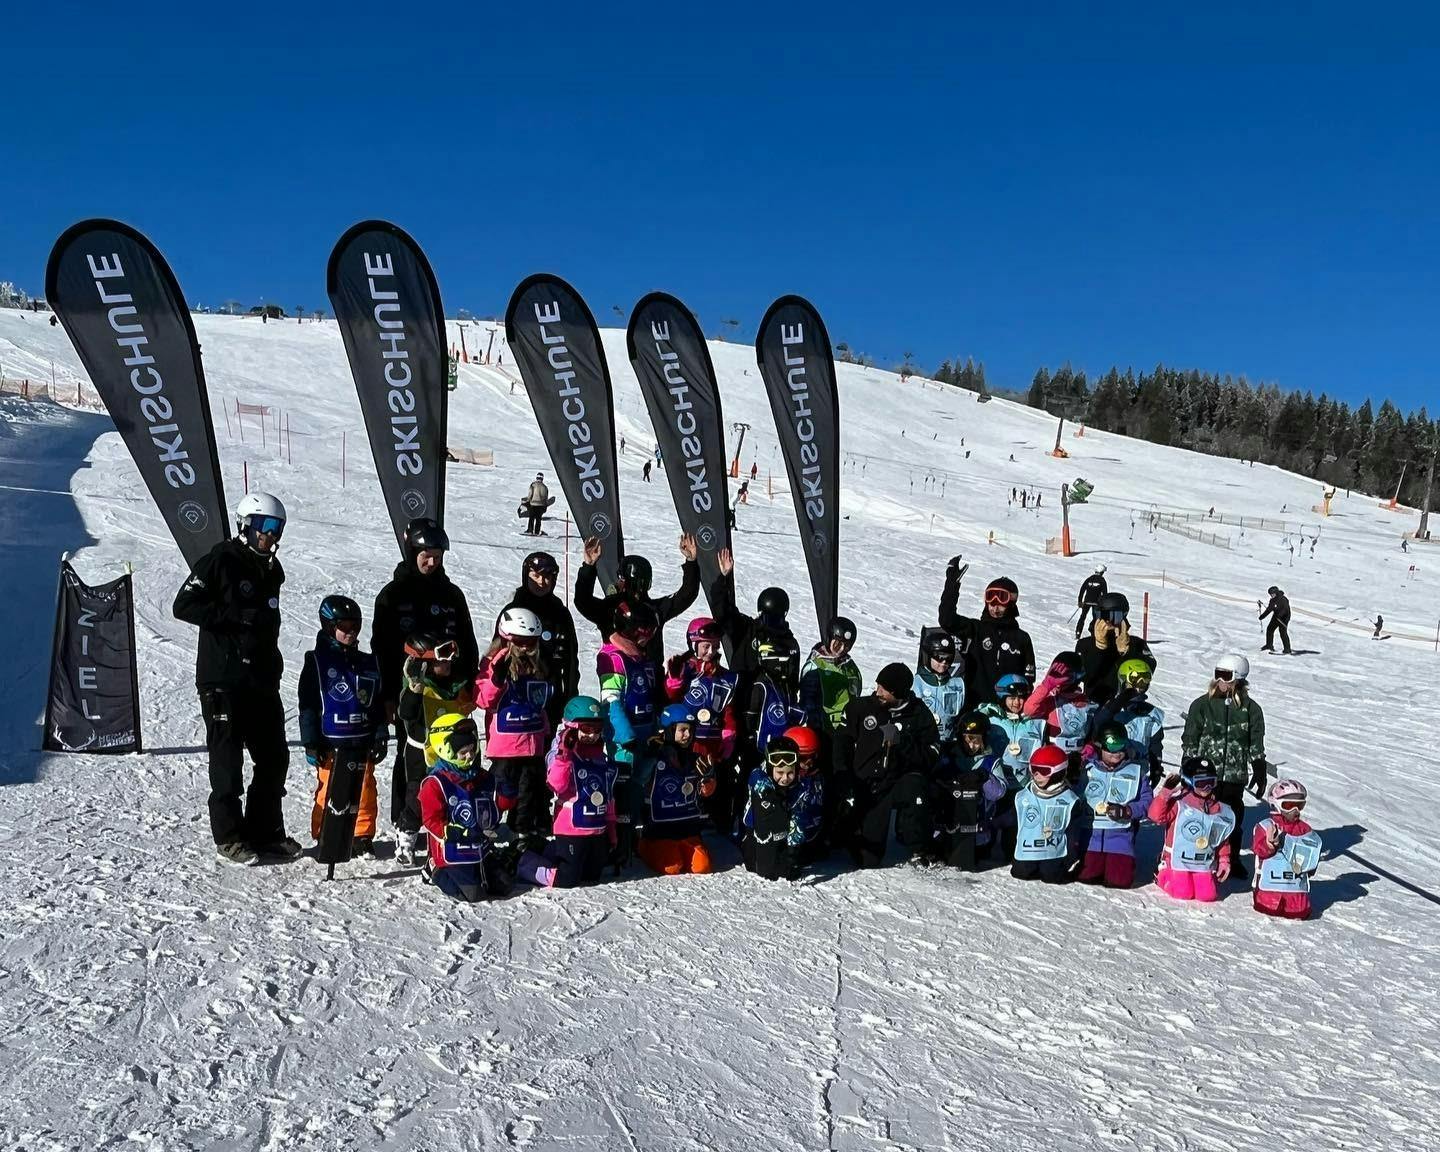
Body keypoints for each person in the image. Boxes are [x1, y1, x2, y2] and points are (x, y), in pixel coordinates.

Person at [173, 492, 296, 864]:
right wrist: (232, 616)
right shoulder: (221, 560)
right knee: (227, 762)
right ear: (247, 524)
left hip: (260, 680)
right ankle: (229, 836)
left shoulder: (271, 569)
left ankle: (266, 832)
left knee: (274, 758)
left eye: (278, 529)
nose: (272, 535)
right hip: (223, 679)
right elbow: (184, 605)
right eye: (266, 527)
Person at [373, 517, 479, 832]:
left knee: (451, 750)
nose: (431, 561)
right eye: (425, 555)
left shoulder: (452, 595)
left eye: (437, 555)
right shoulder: (393, 594)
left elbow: (468, 643)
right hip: (413, 689)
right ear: (411, 551)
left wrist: (469, 684)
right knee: (413, 752)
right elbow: (383, 649)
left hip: (450, 689)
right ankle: (406, 821)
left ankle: (446, 815)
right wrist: (389, 696)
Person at [298, 595, 386, 858]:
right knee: (329, 789)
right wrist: (311, 741)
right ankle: (325, 832)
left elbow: (377, 703)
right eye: (344, 627)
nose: (351, 632)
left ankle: (360, 835)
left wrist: (380, 734)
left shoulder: (367, 662)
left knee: (365, 789)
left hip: (362, 738)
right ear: (328, 626)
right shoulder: (317, 661)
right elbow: (308, 705)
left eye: (355, 626)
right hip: (330, 740)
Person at [840, 662, 939, 868]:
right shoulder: (861, 708)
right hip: (867, 783)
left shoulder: (919, 713)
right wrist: (843, 775)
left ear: (899, 693)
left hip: (898, 781)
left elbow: (932, 754)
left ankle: (918, 847)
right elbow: (842, 743)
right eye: (878, 686)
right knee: (868, 860)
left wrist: (904, 744)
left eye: (884, 690)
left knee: (916, 788)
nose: (878, 692)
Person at [473, 607, 554, 853]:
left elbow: (540, 701)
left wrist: (546, 731)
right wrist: (497, 680)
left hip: (532, 740)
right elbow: (482, 700)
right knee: (501, 789)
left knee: (528, 790)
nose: (527, 648)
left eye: (531, 643)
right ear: (507, 639)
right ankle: (487, 825)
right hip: (505, 745)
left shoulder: (538, 664)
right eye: (521, 643)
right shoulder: (494, 663)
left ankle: (521, 831)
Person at [516, 696, 618, 889]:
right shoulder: (561, 755)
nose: (592, 735)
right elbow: (556, 785)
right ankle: (524, 864)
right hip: (571, 828)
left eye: (596, 730)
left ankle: (548, 849)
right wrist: (564, 755)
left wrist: (611, 830)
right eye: (586, 729)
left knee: (592, 876)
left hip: (597, 828)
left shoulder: (601, 759)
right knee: (567, 879)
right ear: (572, 728)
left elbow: (608, 796)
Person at [1181, 654, 1266, 879]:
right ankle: (1195, 852)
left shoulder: (1251, 710)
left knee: (1231, 817)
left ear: (1238, 678)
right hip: (1205, 774)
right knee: (1201, 814)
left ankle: (1233, 858)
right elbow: (1191, 736)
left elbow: (1255, 740)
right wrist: (1187, 764)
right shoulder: (1202, 705)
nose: (1220, 680)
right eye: (1218, 674)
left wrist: (1258, 765)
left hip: (1234, 775)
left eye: (1226, 676)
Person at [393, 632, 475, 864]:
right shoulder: (416, 686)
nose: (447, 664)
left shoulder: (456, 684)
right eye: (441, 660)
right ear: (425, 662)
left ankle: (445, 837)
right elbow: (406, 713)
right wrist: (414, 689)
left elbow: (469, 706)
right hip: (422, 751)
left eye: (450, 659)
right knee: (418, 798)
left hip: (452, 754)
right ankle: (406, 838)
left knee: (450, 796)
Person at [419, 713, 514, 901]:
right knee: (472, 895)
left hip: (480, 846)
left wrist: (507, 795)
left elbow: (494, 812)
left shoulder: (482, 778)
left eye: (472, 749)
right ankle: (435, 870)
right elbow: (431, 820)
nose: (470, 756)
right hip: (453, 848)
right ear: (446, 751)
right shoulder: (436, 783)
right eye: (463, 752)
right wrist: (454, 832)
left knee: (505, 885)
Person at [573, 534, 699, 669]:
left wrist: (691, 562)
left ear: (625, 580)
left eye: (620, 578)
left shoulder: (652, 609)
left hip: (649, 680)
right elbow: (583, 601)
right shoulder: (613, 607)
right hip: (620, 677)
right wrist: (588, 566)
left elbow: (686, 595)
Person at [598, 600, 663, 862]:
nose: (646, 638)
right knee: (622, 791)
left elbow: (652, 697)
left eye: (649, 633)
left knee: (638, 788)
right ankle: (617, 842)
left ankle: (632, 837)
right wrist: (627, 738)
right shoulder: (613, 658)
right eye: (642, 632)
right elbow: (611, 703)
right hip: (625, 740)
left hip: (647, 732)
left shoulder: (642, 659)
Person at [666, 617, 741, 828]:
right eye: (706, 646)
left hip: (713, 742)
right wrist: (674, 680)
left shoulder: (725, 677)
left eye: (715, 646)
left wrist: (729, 735)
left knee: (714, 782)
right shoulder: (685, 670)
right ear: (693, 645)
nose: (711, 651)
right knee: (687, 779)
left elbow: (729, 711)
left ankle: (717, 818)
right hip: (688, 740)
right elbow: (671, 698)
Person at [493, 551, 578, 728]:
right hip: (515, 697)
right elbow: (496, 654)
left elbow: (570, 661)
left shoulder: (560, 613)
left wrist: (570, 698)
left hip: (550, 696)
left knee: (548, 750)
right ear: (526, 575)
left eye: (547, 577)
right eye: (536, 575)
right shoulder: (513, 610)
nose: (541, 582)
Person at [936, 557, 1035, 706]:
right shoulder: (975, 629)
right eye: (991, 603)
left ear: (1012, 604)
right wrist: (952, 583)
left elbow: (1028, 680)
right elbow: (946, 620)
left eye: (1000, 604)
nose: (995, 608)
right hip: (976, 707)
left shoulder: (1022, 638)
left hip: (1007, 712)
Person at [636, 704, 714, 875]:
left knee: (702, 866)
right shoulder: (656, 756)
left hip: (688, 828)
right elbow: (640, 779)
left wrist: (708, 781)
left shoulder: (695, 759)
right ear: (669, 730)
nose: (687, 735)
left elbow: (707, 791)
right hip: (660, 829)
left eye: (690, 730)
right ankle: (644, 845)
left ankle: (683, 846)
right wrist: (650, 757)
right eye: (682, 730)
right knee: (672, 867)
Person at [1148, 757, 1235, 903]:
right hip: (1178, 860)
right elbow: (1156, 816)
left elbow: (1222, 838)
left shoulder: (1218, 809)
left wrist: (1224, 860)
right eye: (1201, 783)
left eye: (1210, 782)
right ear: (1189, 782)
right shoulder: (1179, 804)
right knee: (1182, 892)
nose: (1206, 788)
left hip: (1203, 863)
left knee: (1208, 895)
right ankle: (1162, 875)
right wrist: (1164, 795)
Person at [979, 673, 1046, 861]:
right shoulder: (991, 719)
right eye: (1012, 698)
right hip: (995, 782)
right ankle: (985, 845)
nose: (1017, 703)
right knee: (989, 819)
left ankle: (1011, 847)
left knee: (1013, 823)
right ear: (1002, 697)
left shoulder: (1035, 723)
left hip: (1021, 784)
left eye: (1021, 698)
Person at [709, 547, 801, 684]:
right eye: (768, 618)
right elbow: (722, 612)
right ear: (760, 614)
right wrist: (723, 578)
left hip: (772, 702)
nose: (773, 624)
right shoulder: (747, 630)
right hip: (743, 697)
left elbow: (792, 682)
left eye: (777, 619)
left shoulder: (789, 643)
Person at [1078, 722, 1152, 888]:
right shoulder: (1088, 769)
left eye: (1121, 747)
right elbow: (1074, 793)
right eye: (1111, 748)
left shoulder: (1136, 771)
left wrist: (1128, 811)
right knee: (1086, 876)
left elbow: (1147, 801)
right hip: (1091, 835)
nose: (1116, 753)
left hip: (1120, 835)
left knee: (1119, 880)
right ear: (1101, 747)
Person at [799, 615, 863, 804]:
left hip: (845, 729)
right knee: (830, 772)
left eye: (847, 646)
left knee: (844, 771)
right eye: (838, 644)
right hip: (824, 729)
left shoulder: (849, 666)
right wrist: (816, 728)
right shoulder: (815, 666)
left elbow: (855, 693)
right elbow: (808, 701)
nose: (842, 649)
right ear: (828, 639)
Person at [931, 713, 1006, 870]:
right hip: (945, 829)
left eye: (976, 740)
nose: (971, 745)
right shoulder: (948, 756)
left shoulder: (991, 762)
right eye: (967, 739)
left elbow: (998, 793)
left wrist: (984, 777)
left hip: (977, 833)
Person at [1010, 744, 1089, 883]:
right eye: (1034, 769)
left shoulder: (1069, 800)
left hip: (1054, 849)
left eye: (1043, 771)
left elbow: (1073, 833)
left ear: (1058, 772)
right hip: (1028, 849)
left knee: (1052, 876)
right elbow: (1012, 820)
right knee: (1020, 873)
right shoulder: (1023, 796)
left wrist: (1071, 854)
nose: (1037, 775)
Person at [1252, 779, 1322, 920]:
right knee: (1268, 910)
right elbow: (1258, 850)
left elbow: (1312, 856)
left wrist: (1311, 863)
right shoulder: (1266, 826)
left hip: (1295, 889)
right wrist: (1270, 845)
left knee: (1298, 913)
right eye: (1289, 805)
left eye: (1299, 805)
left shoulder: (1305, 830)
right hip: (1270, 888)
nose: (1295, 811)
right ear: (1276, 805)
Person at [741, 736, 807, 880]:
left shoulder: (798, 785)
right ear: (771, 768)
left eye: (790, 773)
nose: (785, 778)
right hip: (758, 833)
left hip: (782, 831)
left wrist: (792, 849)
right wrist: (766, 789)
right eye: (780, 773)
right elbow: (755, 777)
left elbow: (797, 817)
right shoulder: (759, 777)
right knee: (764, 870)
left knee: (791, 866)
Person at [1093, 658, 1166, 785]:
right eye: (1134, 678)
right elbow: (1099, 723)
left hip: (1138, 772)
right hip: (1110, 768)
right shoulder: (1112, 708)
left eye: (1145, 679)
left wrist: (1156, 766)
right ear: (1123, 679)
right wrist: (1120, 700)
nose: (1140, 684)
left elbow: (1155, 744)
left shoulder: (1151, 714)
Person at [1076, 591, 1156, 705]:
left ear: (1124, 616)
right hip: (1095, 706)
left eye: (1115, 616)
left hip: (1128, 706)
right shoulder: (1085, 644)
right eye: (1103, 616)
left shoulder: (1136, 644)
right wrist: (1099, 648)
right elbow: (1085, 675)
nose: (1109, 622)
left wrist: (1127, 652)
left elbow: (1148, 671)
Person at [1023, 651, 1096, 758]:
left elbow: (1094, 731)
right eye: (1055, 675)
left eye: (1063, 677)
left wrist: (1091, 745)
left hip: (1079, 759)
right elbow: (1029, 710)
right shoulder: (1051, 700)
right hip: (1053, 756)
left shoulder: (1085, 703)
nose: (1058, 681)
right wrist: (1047, 685)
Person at [1074, 566, 1108, 640]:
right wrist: (1104, 604)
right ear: (1102, 572)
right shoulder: (1102, 580)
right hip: (1096, 603)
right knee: (1095, 618)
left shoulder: (1089, 579)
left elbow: (1082, 590)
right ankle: (1092, 632)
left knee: (1082, 617)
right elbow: (1105, 593)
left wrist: (1080, 601)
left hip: (1086, 602)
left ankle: (1078, 632)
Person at [1259, 586, 1293, 654]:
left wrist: (1280, 615)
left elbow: (1285, 609)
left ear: (1276, 593)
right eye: (1270, 594)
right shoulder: (1272, 600)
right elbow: (1269, 609)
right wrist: (1263, 616)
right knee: (1270, 629)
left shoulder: (1283, 599)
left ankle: (1287, 649)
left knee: (1282, 632)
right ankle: (1269, 645)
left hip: (1284, 618)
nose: (1271, 595)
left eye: (1272, 594)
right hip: (1276, 616)